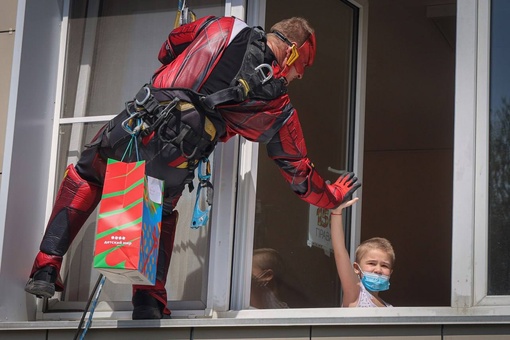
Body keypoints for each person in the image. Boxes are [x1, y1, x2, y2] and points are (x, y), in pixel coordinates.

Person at [24, 15, 361, 319]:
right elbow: (298, 172)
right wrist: (331, 197)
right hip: (175, 155)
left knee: (86, 176)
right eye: (297, 70)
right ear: (291, 53)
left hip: (135, 122)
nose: (294, 77)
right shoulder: (276, 103)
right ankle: (148, 299)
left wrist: (183, 77)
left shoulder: (222, 26)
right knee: (161, 211)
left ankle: (46, 267)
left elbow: (170, 44)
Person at [330, 198, 395, 307]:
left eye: (384, 265)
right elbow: (340, 253)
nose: (378, 270)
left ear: (391, 272)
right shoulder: (356, 293)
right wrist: (336, 212)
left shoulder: (390, 309)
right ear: (356, 268)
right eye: (371, 263)